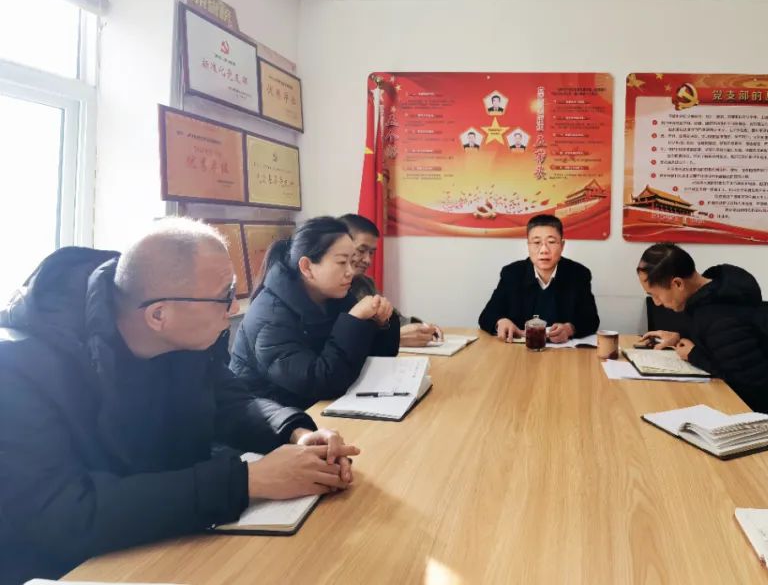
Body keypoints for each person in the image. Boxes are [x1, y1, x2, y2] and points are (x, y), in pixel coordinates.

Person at [0, 219, 358, 584]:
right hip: (72, 568)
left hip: (168, 536)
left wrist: (295, 432)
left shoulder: (181, 334)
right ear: (159, 314)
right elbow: (67, 515)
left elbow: (232, 401)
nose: (234, 308)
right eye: (224, 295)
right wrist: (248, 481)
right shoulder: (18, 370)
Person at [636, 243, 768, 449]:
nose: (657, 303)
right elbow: (720, 343)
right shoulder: (713, 293)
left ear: (677, 283)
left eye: (655, 294)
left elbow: (753, 385)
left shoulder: (722, 318)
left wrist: (695, 355)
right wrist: (679, 336)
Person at [231, 216, 400, 410]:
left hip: (319, 406)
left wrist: (381, 323)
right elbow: (319, 382)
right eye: (342, 262)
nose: (351, 272)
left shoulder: (336, 295)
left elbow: (368, 359)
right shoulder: (270, 316)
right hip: (274, 416)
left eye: (351, 261)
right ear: (307, 267)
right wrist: (354, 321)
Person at [479, 214, 599, 343]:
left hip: (562, 351)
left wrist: (569, 329)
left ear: (562, 245)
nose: (544, 250)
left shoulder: (578, 274)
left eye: (551, 242)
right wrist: (500, 322)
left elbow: (591, 320)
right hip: (519, 349)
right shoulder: (512, 273)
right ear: (528, 245)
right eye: (536, 242)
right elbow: (487, 315)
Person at [339, 213, 443, 348]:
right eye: (361, 250)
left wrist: (423, 327)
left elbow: (394, 318)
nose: (368, 260)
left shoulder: (365, 284)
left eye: (371, 253)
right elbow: (338, 341)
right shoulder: (326, 290)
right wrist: (394, 339)